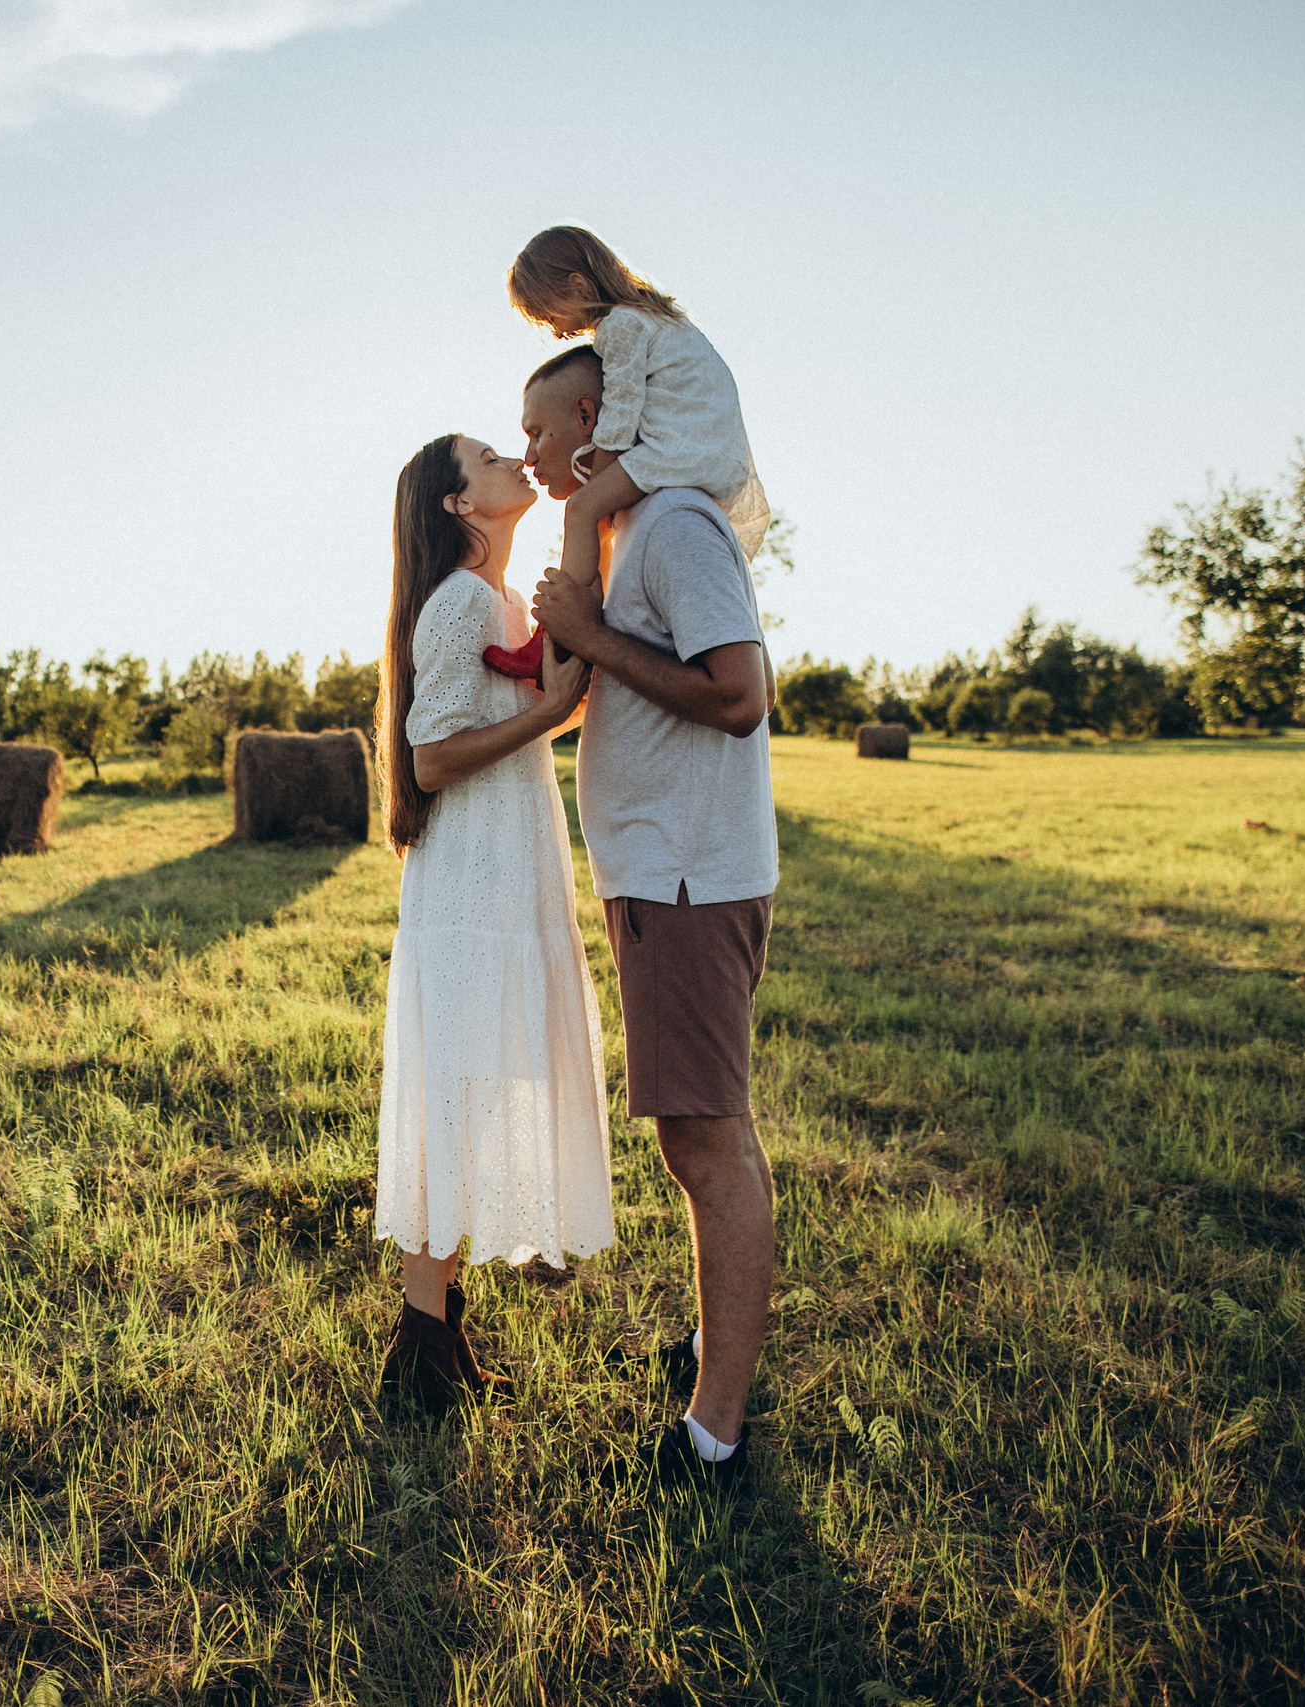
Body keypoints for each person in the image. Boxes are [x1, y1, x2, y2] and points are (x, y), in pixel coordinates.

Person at [524, 346, 779, 1488]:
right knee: (707, 1131)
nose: (529, 452)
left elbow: (739, 694)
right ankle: (717, 1347)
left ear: (592, 417)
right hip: (668, 873)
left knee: (702, 1139)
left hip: (687, 877)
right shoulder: (634, 537)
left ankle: (713, 1433)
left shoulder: (673, 526)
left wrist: (589, 637)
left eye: (538, 430)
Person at [373, 432, 611, 1416]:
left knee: (466, 1097)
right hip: (472, 883)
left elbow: (532, 709)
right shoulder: (461, 603)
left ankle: (432, 1338)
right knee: (456, 1100)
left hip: (503, 870)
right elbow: (429, 759)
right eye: (487, 457)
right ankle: (420, 1347)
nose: (514, 458)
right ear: (458, 504)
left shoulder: (498, 599)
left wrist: (560, 698)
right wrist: (547, 712)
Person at [485, 225, 769, 681]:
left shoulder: (620, 327)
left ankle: (553, 640)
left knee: (582, 510)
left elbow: (618, 415)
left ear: (578, 286)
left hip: (678, 449)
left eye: (549, 314)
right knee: (597, 520)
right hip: (703, 448)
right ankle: (572, 639)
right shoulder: (656, 318)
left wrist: (596, 485)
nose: (554, 329)